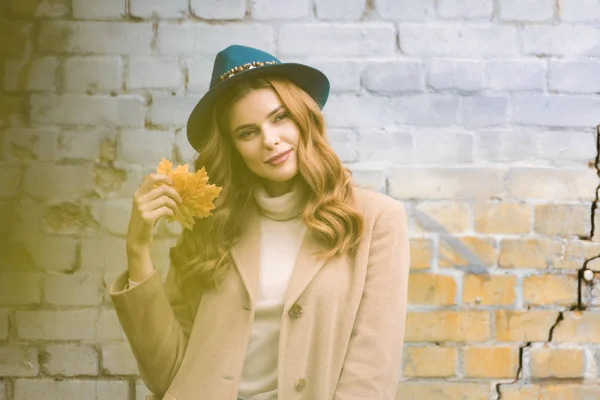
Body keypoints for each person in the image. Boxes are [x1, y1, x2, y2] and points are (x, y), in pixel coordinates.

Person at [110, 45, 410, 400]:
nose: (270, 140)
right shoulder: (210, 225)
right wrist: (137, 248)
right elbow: (169, 376)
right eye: (247, 132)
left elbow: (371, 376)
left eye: (280, 117)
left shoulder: (376, 220)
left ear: (303, 118)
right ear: (232, 147)